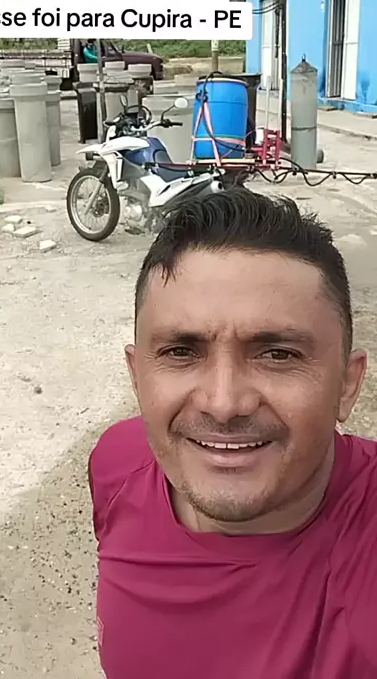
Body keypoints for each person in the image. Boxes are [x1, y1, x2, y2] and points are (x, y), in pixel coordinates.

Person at [88, 188, 377, 679]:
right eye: (181, 352)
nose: (223, 404)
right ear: (138, 377)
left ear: (347, 385)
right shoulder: (117, 463)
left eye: (278, 354)